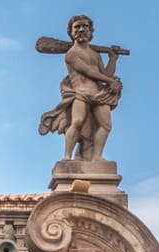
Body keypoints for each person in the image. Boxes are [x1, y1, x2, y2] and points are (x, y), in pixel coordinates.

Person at [39, 15, 122, 161]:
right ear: (71, 32)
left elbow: (105, 73)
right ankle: (67, 156)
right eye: (77, 27)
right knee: (77, 122)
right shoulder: (71, 54)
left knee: (106, 126)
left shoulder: (95, 55)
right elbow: (88, 72)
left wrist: (113, 59)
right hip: (81, 93)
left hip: (99, 94)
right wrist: (110, 81)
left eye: (85, 26)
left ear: (90, 31)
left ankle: (96, 157)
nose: (81, 29)